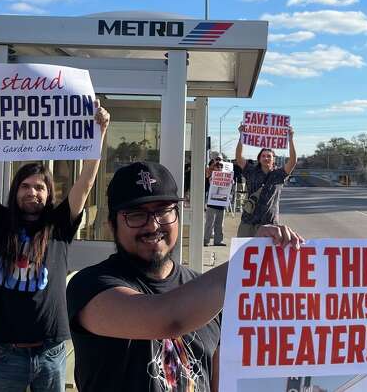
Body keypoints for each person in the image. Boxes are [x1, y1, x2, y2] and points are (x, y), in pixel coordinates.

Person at [66, 161, 304, 391]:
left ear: (178, 217)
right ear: (111, 225)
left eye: (163, 211)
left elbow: (219, 380)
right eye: (136, 215)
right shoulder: (88, 286)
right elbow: (168, 319)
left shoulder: (206, 292)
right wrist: (247, 262)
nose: (153, 226)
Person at [0, 98, 110, 392]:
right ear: (15, 190)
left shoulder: (59, 224)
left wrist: (99, 132)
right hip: (6, 354)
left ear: (49, 193)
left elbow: (86, 182)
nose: (32, 192)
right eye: (25, 186)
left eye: (39, 187)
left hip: (51, 353)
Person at [234, 124, 297, 237]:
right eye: (263, 156)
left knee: (267, 249)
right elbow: (239, 157)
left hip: (270, 224)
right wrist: (241, 136)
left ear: (274, 159)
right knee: (243, 248)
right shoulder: (251, 171)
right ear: (259, 159)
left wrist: (290, 139)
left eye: (269, 156)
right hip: (248, 222)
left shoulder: (278, 175)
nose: (266, 158)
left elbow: (292, 162)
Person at [203, 158, 227, 247]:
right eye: (217, 166)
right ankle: (206, 240)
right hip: (211, 204)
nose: (219, 168)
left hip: (221, 204)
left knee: (219, 224)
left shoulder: (226, 178)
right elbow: (206, 187)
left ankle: (218, 241)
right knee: (209, 223)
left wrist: (231, 182)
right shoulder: (210, 177)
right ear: (214, 168)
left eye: (221, 166)